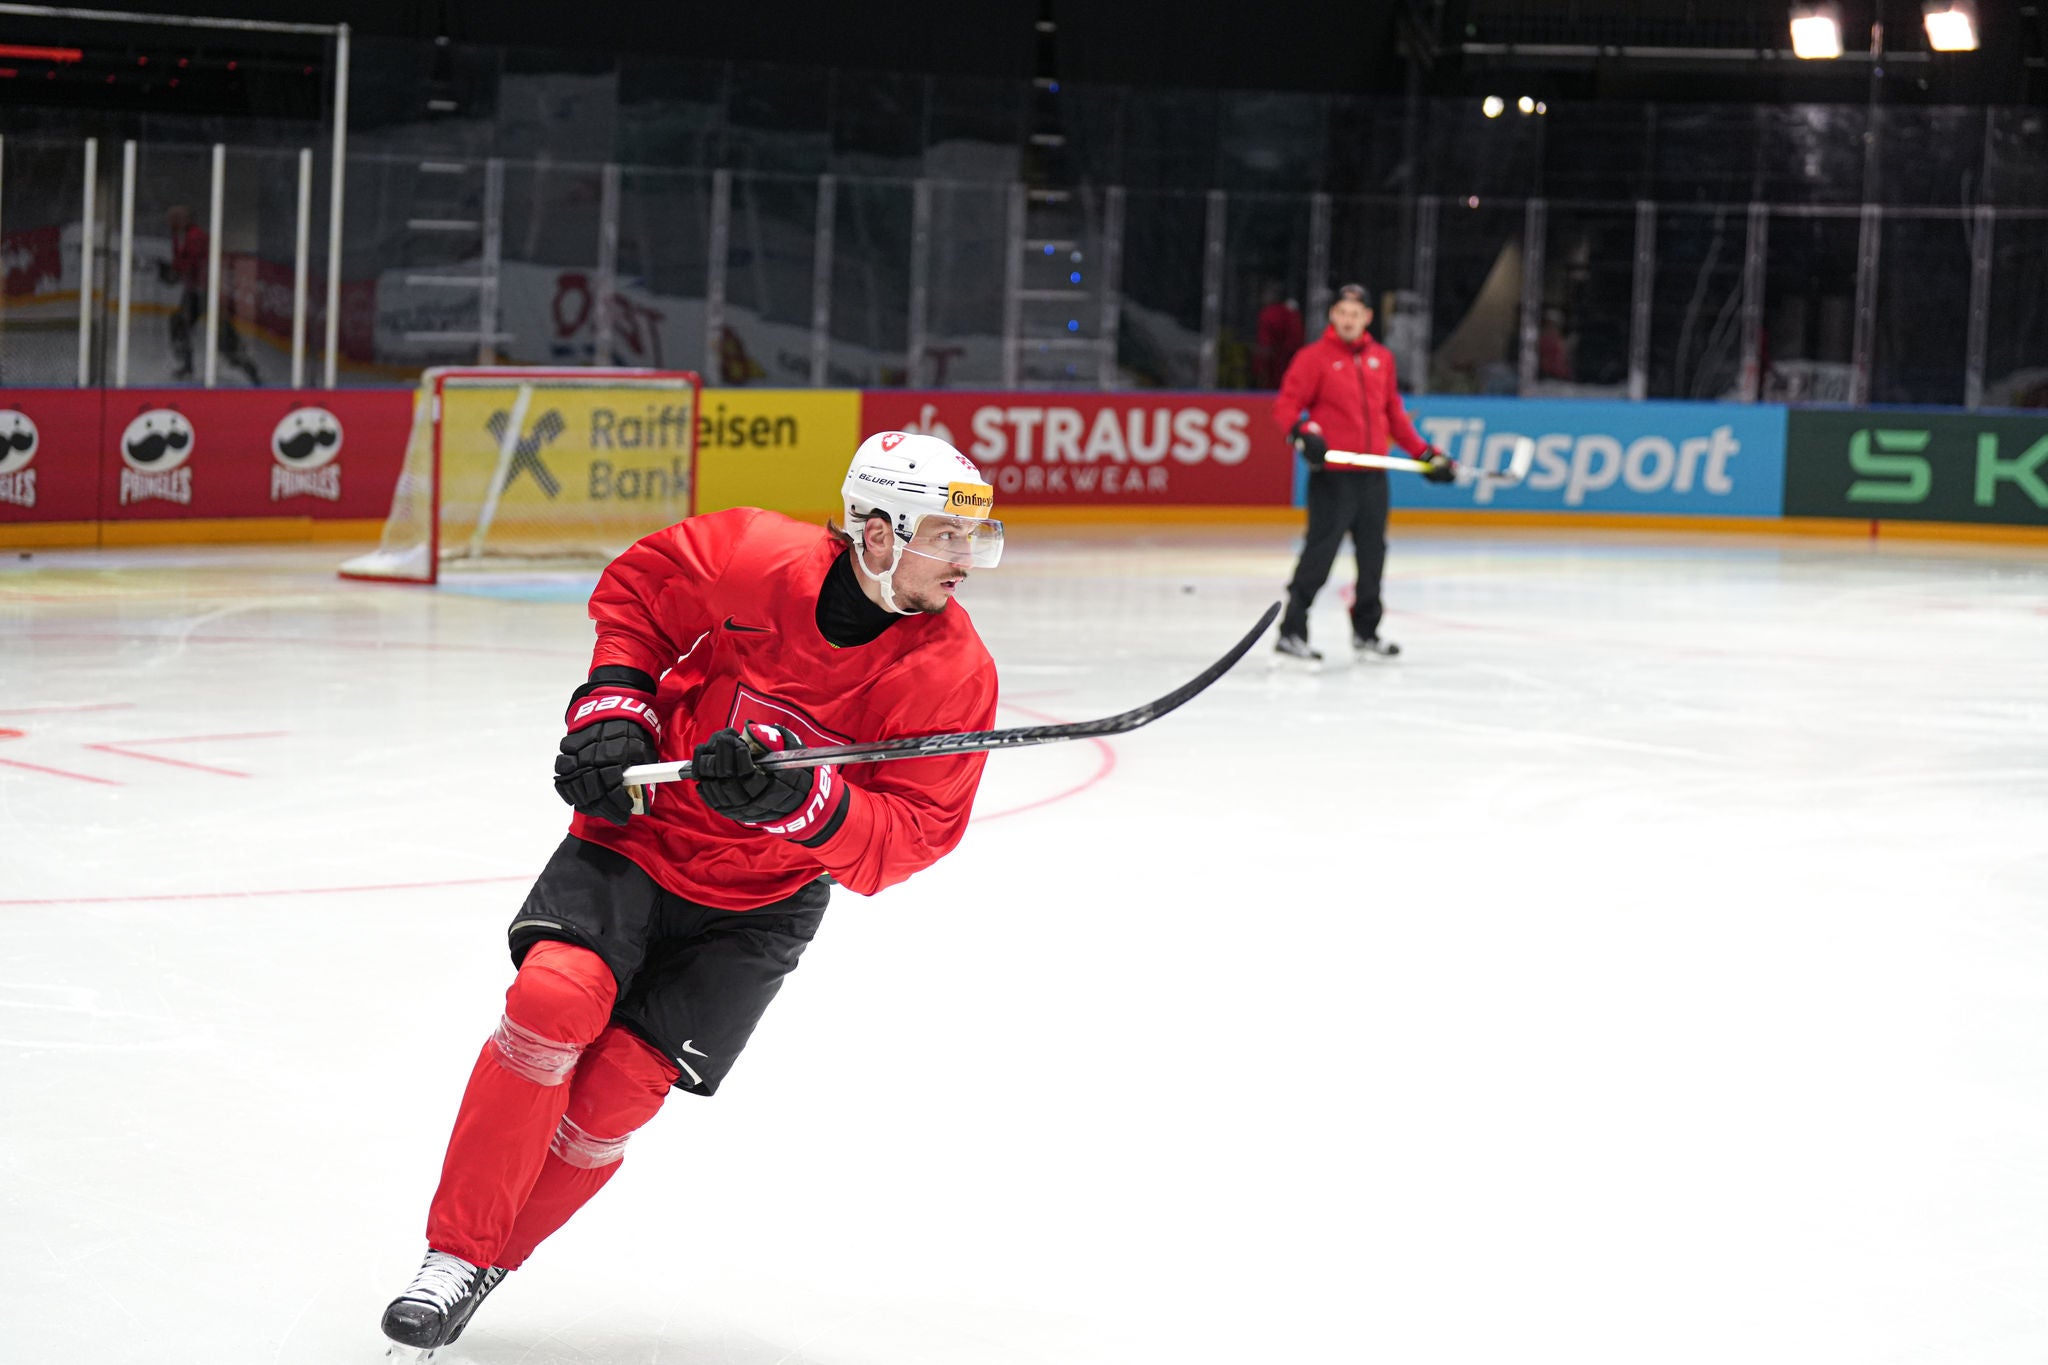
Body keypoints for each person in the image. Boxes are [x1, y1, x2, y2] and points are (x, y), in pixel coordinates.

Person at [378, 430, 1005, 1354]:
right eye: (945, 538)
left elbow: (910, 839)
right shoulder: (756, 558)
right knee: (553, 1000)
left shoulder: (952, 673)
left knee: (615, 1096)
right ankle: (448, 1254)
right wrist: (616, 705)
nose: (967, 561)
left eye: (972, 539)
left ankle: (483, 1263)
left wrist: (803, 803)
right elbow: (639, 591)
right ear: (877, 533)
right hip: (642, 834)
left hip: (760, 902)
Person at [1271, 282, 1452, 664]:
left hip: (1373, 475)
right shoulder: (1313, 358)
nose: (1348, 320)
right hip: (1334, 475)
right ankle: (1292, 630)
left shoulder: (1381, 359)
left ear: (1368, 318)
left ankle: (1366, 632)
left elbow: (1394, 416)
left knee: (1373, 557)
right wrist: (1302, 433)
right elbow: (1286, 407)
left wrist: (1426, 456)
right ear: (1333, 316)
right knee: (1320, 553)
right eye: (1342, 313)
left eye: (1356, 314)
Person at [158, 205, 261, 386]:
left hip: (208, 292)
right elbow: (182, 264)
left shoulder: (196, 236)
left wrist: (173, 271)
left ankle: (250, 370)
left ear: (187, 219)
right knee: (179, 323)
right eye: (170, 217)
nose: (170, 221)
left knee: (223, 335)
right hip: (194, 290)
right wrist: (173, 271)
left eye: (175, 217)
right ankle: (187, 365)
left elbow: (191, 263)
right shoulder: (178, 236)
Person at [1253, 283, 1304, 390]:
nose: (1262, 297)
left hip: (1275, 365)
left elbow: (1265, 346)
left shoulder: (1269, 314)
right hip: (1291, 363)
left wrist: (1261, 369)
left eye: (1265, 294)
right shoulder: (1292, 313)